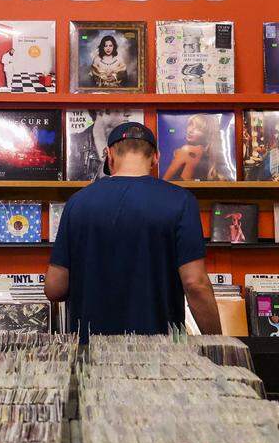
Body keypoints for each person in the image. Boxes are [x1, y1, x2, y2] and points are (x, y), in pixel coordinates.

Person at [45, 122, 222, 339]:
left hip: (90, 352)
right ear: (156, 156)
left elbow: (54, 288)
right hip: (160, 354)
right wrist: (218, 342)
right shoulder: (181, 201)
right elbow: (195, 284)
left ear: (109, 155)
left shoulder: (78, 202)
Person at [67, 109, 138, 181]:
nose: (129, 113)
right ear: (99, 111)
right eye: (120, 108)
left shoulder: (132, 143)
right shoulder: (75, 144)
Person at [163, 114, 228, 181]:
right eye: (190, 125)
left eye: (198, 128)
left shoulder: (188, 150)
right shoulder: (209, 156)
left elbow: (165, 181)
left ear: (206, 134)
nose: (190, 131)